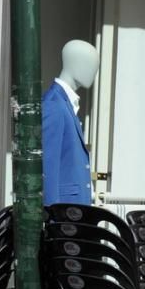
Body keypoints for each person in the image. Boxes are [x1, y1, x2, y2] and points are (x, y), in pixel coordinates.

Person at [43, 39, 98, 205]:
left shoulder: (66, 103)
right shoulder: (54, 105)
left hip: (73, 212)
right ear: (75, 64)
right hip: (63, 216)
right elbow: (47, 170)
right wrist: (52, 218)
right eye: (91, 64)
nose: (94, 71)